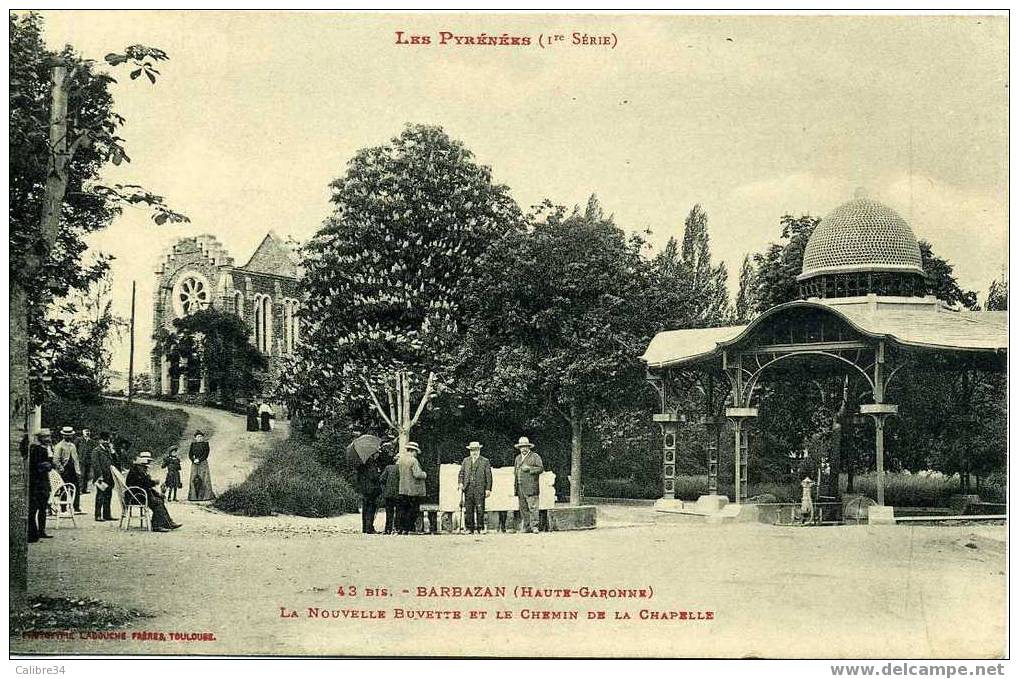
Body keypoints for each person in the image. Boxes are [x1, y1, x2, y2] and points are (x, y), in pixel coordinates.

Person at [125, 451, 182, 532]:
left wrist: (156, 492)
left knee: (159, 498)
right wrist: (154, 482)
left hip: (138, 495)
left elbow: (145, 486)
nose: (149, 464)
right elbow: (145, 484)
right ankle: (157, 525)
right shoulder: (137, 471)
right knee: (158, 502)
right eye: (148, 461)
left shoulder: (138, 469)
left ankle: (167, 522)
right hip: (136, 497)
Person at [458, 441, 493, 534]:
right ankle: (469, 528)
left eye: (476, 450)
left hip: (480, 488)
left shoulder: (485, 461)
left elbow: (489, 476)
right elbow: (461, 473)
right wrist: (461, 483)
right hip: (468, 488)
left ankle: (480, 528)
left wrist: (488, 489)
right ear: (470, 451)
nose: (474, 452)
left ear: (479, 450)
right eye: (472, 450)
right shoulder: (466, 461)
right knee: (468, 509)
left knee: (480, 508)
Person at [27, 429, 56, 542]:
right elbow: (39, 465)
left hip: (43, 481)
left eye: (49, 436)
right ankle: (32, 533)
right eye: (45, 437)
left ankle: (41, 531)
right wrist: (48, 465)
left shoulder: (47, 449)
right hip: (36, 482)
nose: (48, 439)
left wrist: (49, 464)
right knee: (34, 509)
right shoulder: (36, 449)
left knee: (43, 508)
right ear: (40, 438)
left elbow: (51, 463)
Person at [513, 436, 544, 534]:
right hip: (520, 487)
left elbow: (540, 469)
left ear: (529, 447)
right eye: (522, 447)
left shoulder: (535, 456)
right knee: (523, 508)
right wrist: (515, 486)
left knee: (533, 507)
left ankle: (534, 526)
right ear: (519, 448)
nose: (524, 449)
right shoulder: (517, 458)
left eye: (526, 447)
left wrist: (529, 469)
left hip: (531, 487)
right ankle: (526, 527)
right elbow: (515, 472)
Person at [396, 441, 427, 535]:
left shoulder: (401, 460)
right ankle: (408, 528)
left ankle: (401, 528)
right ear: (414, 451)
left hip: (403, 488)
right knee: (412, 510)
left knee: (403, 510)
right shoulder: (413, 460)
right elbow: (417, 474)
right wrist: (424, 474)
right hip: (413, 490)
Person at [53, 426, 84, 514]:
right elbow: (56, 459)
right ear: (63, 436)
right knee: (64, 488)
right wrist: (61, 468)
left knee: (76, 488)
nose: (68, 437)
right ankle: (63, 508)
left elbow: (76, 459)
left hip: (72, 469)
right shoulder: (59, 446)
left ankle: (76, 507)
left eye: (70, 435)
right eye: (66, 435)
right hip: (65, 469)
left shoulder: (72, 445)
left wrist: (78, 471)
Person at [92, 431, 116, 522]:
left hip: (110, 476)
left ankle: (107, 514)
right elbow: (96, 465)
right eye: (104, 440)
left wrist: (113, 451)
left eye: (108, 440)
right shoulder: (96, 451)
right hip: (101, 477)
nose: (106, 442)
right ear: (100, 440)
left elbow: (116, 461)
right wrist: (100, 476)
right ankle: (97, 515)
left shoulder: (109, 450)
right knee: (100, 496)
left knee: (108, 495)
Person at [187, 430, 215, 501]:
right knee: (194, 478)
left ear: (203, 438)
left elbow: (206, 454)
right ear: (195, 438)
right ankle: (193, 497)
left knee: (204, 478)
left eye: (201, 437)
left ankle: (206, 496)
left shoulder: (206, 444)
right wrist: (193, 460)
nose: (200, 438)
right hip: (194, 463)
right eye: (198, 437)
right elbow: (190, 454)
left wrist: (199, 460)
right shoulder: (193, 445)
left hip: (203, 463)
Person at [379, 453, 401, 535]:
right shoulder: (401, 469)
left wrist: (384, 489)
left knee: (389, 512)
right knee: (398, 512)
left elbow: (381, 479)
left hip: (388, 493)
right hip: (399, 494)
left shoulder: (388, 468)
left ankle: (388, 529)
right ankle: (397, 528)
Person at [76, 428, 96, 494]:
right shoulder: (79, 440)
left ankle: (84, 489)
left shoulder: (91, 441)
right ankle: (80, 489)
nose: (87, 432)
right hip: (81, 460)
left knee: (87, 475)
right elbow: (75, 448)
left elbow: (93, 450)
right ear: (83, 432)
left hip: (88, 461)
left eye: (88, 431)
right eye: (86, 431)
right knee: (81, 475)